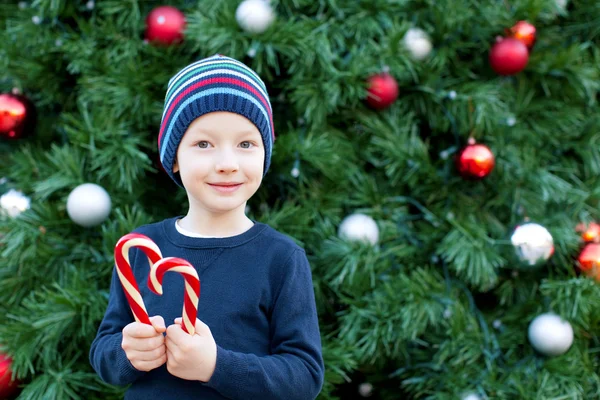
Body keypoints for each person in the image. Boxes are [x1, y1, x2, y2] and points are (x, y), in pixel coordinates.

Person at [89, 54, 324, 400]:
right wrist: (127, 354)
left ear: (265, 155)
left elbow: (304, 377)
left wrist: (216, 366)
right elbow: (104, 350)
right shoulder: (140, 248)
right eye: (203, 144)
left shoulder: (281, 258)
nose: (227, 164)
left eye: (246, 144)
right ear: (174, 158)